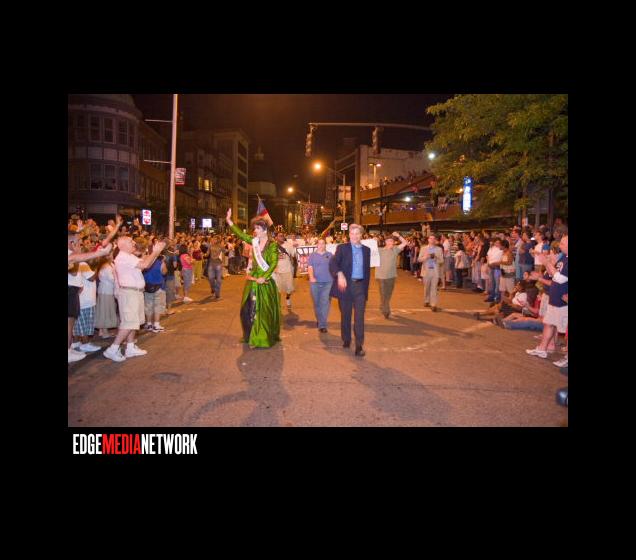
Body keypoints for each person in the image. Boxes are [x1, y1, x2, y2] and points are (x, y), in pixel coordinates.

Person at [102, 236, 166, 362]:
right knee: (128, 322)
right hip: (129, 293)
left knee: (133, 322)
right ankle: (112, 349)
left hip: (134, 292)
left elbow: (144, 264)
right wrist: (156, 252)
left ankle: (130, 348)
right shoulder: (124, 257)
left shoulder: (129, 256)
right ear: (123, 245)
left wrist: (154, 252)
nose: (134, 243)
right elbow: (145, 264)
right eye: (131, 242)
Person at [226, 208, 281, 348]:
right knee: (248, 308)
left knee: (262, 311)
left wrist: (265, 277)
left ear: (264, 229)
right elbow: (240, 234)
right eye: (255, 228)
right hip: (253, 279)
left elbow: (273, 262)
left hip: (265, 281)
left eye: (257, 228)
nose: (255, 230)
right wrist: (229, 221)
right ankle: (250, 334)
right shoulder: (254, 241)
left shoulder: (272, 244)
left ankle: (261, 338)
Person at [329, 224, 371, 356]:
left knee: (359, 317)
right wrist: (339, 274)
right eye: (352, 233)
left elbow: (367, 271)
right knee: (346, 315)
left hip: (360, 287)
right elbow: (333, 263)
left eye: (357, 233)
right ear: (349, 235)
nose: (354, 236)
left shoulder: (367, 250)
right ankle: (346, 339)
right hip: (345, 286)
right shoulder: (342, 248)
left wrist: (365, 290)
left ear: (361, 235)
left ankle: (359, 345)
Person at [526, 235, 568, 359]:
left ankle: (565, 358)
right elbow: (553, 274)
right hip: (555, 298)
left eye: (563, 243)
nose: (560, 245)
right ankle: (542, 349)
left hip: (562, 301)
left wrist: (546, 262)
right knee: (548, 323)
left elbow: (560, 279)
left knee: (564, 329)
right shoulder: (564, 258)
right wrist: (548, 263)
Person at [375, 231, 408, 318]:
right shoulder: (379, 250)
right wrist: (373, 240)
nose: (391, 243)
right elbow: (366, 247)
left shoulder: (395, 250)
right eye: (389, 241)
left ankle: (382, 306)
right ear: (385, 242)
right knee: (383, 294)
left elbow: (405, 243)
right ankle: (386, 312)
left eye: (392, 241)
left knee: (388, 294)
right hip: (381, 276)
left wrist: (399, 236)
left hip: (391, 276)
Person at [307, 238, 334, 332]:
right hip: (315, 283)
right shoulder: (312, 256)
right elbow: (310, 267)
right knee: (317, 303)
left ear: (325, 245)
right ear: (317, 245)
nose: (321, 245)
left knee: (325, 302)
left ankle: (322, 325)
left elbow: (334, 266)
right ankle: (320, 320)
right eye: (319, 243)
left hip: (328, 282)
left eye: (323, 243)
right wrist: (311, 277)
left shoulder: (330, 255)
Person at [142, 241, 168, 333]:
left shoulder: (144, 261)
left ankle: (149, 324)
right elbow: (164, 272)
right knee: (158, 306)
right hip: (159, 286)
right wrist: (164, 263)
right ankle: (156, 324)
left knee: (148, 306)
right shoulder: (159, 262)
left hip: (147, 287)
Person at [418, 234, 444, 312]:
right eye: (431, 238)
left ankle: (433, 304)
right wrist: (426, 257)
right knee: (427, 287)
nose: (432, 240)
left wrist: (435, 257)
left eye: (433, 239)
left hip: (435, 271)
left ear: (435, 240)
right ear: (428, 240)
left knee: (434, 288)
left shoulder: (439, 249)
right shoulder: (423, 248)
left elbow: (441, 261)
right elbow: (419, 259)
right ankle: (426, 300)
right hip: (426, 271)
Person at [94, 255, 118, 339]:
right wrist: (117, 275)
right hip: (106, 291)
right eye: (111, 255)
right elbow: (112, 279)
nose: (112, 256)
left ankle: (102, 330)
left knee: (103, 310)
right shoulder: (107, 267)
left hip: (105, 290)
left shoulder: (107, 265)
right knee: (105, 310)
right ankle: (104, 332)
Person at [272, 231, 295, 310]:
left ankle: (288, 298)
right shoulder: (273, 246)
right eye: (280, 236)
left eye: (283, 236)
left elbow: (293, 255)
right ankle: (278, 304)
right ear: (276, 237)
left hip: (287, 270)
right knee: (277, 289)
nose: (282, 237)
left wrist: (293, 266)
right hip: (277, 271)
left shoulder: (288, 245)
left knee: (289, 289)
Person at [485, 237, 504, 304]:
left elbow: (502, 259)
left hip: (497, 268)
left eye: (498, 243)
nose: (497, 244)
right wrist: (487, 265)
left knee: (497, 283)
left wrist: (495, 264)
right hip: (491, 267)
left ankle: (497, 298)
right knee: (491, 283)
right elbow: (488, 256)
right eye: (496, 242)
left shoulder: (502, 249)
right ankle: (491, 296)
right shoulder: (491, 248)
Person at [207, 236, 224, 301]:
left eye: (215, 239)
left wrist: (223, 263)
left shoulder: (221, 246)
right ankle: (213, 289)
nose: (213, 240)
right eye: (213, 239)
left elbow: (224, 253)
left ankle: (217, 295)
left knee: (219, 280)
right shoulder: (210, 246)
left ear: (218, 240)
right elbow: (207, 254)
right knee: (210, 278)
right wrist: (203, 254)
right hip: (211, 264)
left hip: (218, 264)